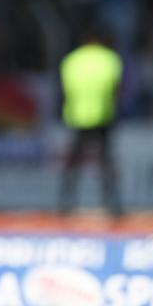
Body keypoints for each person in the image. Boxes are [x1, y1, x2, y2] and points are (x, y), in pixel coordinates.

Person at [58, 28, 123, 216]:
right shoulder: (111, 59)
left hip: (78, 117)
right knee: (106, 164)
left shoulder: (71, 60)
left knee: (73, 165)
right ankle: (113, 205)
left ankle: (65, 204)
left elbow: (66, 89)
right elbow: (115, 89)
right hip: (103, 117)